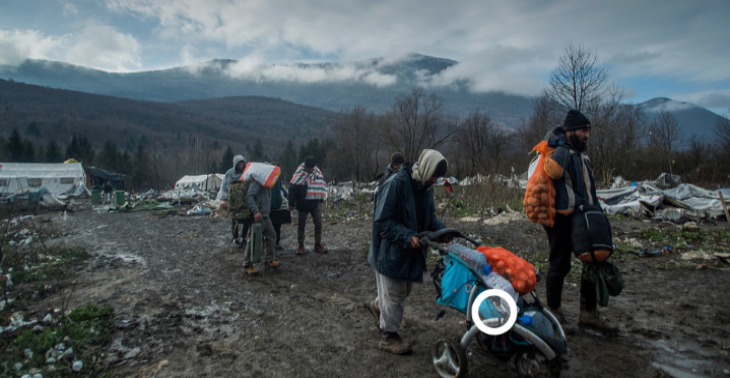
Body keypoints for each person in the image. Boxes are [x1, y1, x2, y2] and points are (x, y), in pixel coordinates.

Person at [365, 149, 449, 354]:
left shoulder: (425, 186)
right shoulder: (396, 184)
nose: (436, 180)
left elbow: (429, 216)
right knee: (394, 294)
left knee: (404, 291)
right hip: (390, 250)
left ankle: (378, 307)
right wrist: (405, 236)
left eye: (438, 177)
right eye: (434, 176)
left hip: (410, 251)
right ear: (427, 168)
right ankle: (388, 336)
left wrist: (442, 232)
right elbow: (382, 221)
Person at [542, 109, 618, 334]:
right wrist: (564, 145)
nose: (587, 135)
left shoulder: (582, 155)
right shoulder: (556, 150)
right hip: (560, 217)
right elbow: (553, 172)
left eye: (588, 131)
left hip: (585, 215)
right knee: (560, 263)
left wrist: (597, 212)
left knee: (592, 260)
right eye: (583, 131)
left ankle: (588, 314)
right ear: (570, 131)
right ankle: (553, 312)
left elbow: (589, 186)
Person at [243, 172, 281, 276]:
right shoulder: (256, 183)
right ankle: (247, 264)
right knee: (253, 239)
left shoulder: (266, 184)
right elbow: (249, 196)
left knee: (271, 235)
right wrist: (255, 211)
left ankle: (268, 261)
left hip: (265, 215)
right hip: (258, 216)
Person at [287, 157, 327, 255]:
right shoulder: (299, 173)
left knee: (318, 223)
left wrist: (321, 197)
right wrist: (291, 204)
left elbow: (321, 184)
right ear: (305, 166)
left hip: (314, 203)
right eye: (308, 168)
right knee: (301, 225)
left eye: (311, 168)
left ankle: (317, 244)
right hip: (302, 204)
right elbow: (292, 189)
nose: (310, 170)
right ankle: (301, 245)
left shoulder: (317, 173)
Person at [218, 155, 248, 245]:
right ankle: (235, 237)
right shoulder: (230, 173)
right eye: (239, 164)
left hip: (244, 199)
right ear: (236, 164)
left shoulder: (246, 172)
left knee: (247, 218)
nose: (241, 165)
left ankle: (243, 236)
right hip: (234, 200)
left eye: (242, 163)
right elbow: (224, 186)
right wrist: (225, 199)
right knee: (235, 219)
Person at [269, 163, 289, 250]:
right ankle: (268, 243)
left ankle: (277, 243)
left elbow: (281, 188)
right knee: (269, 226)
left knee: (277, 225)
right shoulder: (268, 178)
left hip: (278, 205)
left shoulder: (278, 177)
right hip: (269, 206)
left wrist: (287, 195)